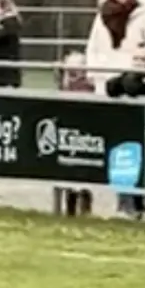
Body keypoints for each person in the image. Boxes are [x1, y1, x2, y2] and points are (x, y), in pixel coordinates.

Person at [83, 0, 145, 218]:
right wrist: (97, 75)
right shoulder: (101, 18)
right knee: (119, 148)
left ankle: (144, 203)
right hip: (109, 87)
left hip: (135, 88)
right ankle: (125, 202)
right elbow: (94, 50)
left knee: (140, 145)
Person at [55, 51, 94, 217]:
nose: (72, 72)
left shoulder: (89, 86)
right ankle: (69, 202)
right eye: (69, 67)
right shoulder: (64, 85)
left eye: (76, 67)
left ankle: (85, 197)